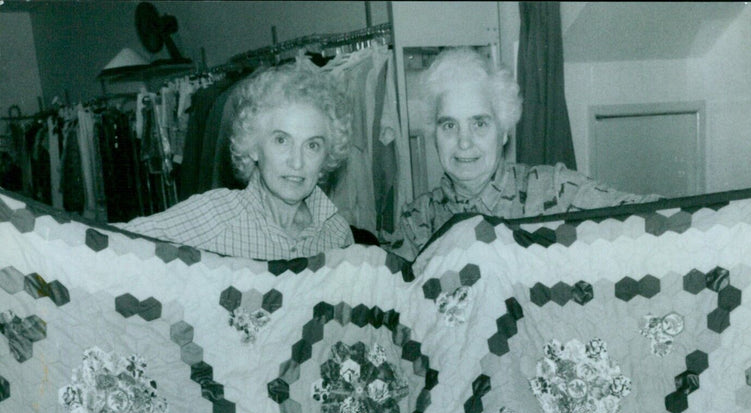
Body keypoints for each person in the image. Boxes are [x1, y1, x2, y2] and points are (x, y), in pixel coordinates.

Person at [387, 48, 657, 261]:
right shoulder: (416, 222)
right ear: (434, 136)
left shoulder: (554, 191)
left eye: (479, 123)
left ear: (504, 131)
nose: (464, 142)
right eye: (449, 125)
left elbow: (647, 215)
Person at [122, 60, 354, 260]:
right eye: (281, 140)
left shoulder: (337, 233)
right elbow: (115, 245)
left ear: (327, 157)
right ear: (253, 147)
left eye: (313, 145)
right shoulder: (213, 216)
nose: (297, 162)